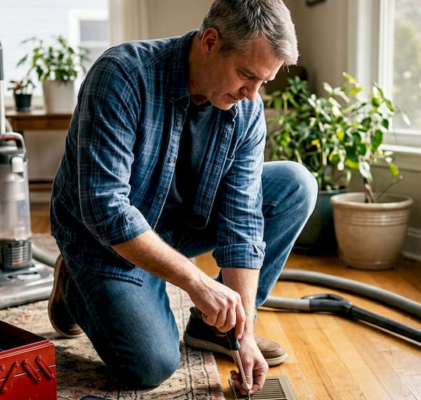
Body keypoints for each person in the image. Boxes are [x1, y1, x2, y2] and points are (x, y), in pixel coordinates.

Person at [48, 0, 316, 394]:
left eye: (263, 82)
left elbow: (242, 220)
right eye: (246, 75)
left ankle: (212, 329)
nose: (252, 95)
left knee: (296, 184)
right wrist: (195, 281)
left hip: (179, 224)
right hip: (102, 239)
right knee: (152, 365)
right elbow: (105, 207)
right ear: (210, 42)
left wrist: (242, 335)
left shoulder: (247, 107)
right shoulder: (122, 75)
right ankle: (74, 284)